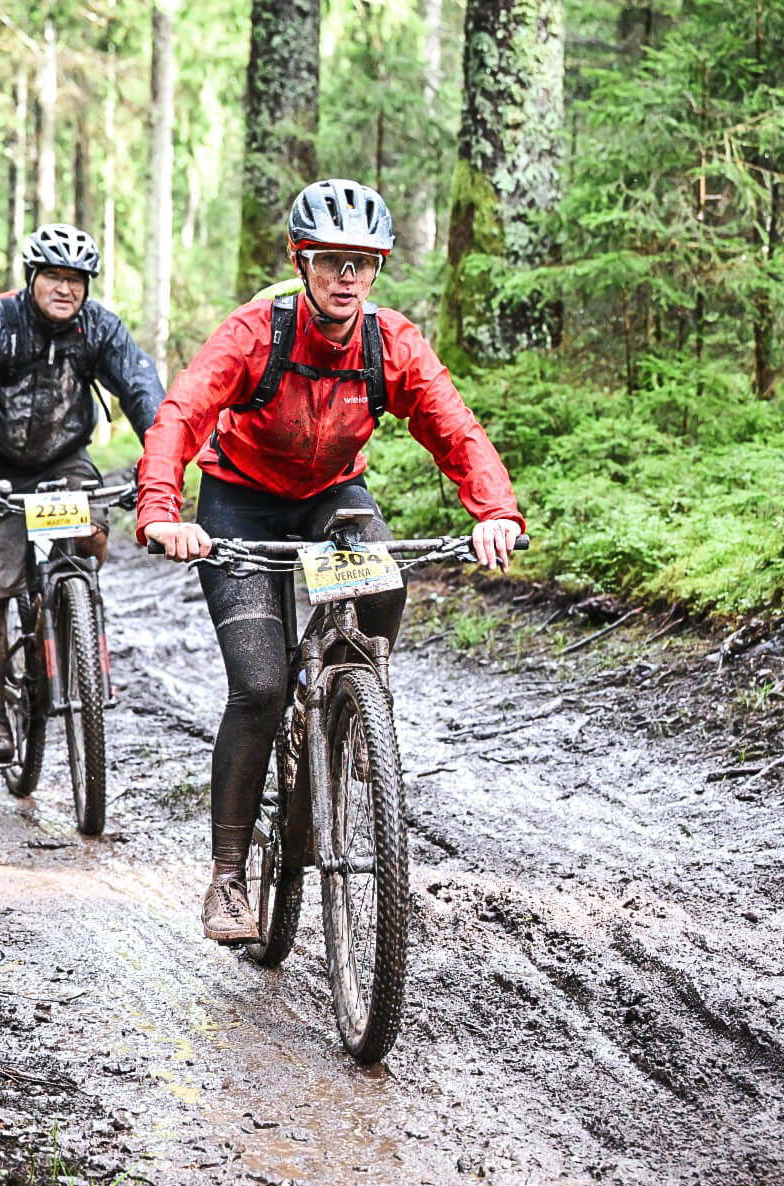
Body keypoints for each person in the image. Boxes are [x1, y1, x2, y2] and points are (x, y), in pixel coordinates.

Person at [137, 179, 525, 943]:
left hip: (330, 498)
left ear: (377, 268)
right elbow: (182, 412)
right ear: (301, 261)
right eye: (330, 261)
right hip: (240, 502)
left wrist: (496, 512)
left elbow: (455, 427)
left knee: (384, 582)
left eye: (363, 263)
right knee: (258, 686)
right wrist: (160, 510)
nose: (347, 277)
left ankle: (351, 705)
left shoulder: (389, 342)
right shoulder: (257, 333)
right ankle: (228, 878)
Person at [0, 224, 165, 764]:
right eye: (54, 277)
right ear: (32, 278)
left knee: (92, 536)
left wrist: (162, 459)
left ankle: (72, 611)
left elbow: (142, 389)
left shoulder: (99, 327)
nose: (65, 288)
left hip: (63, 458)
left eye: (76, 279)